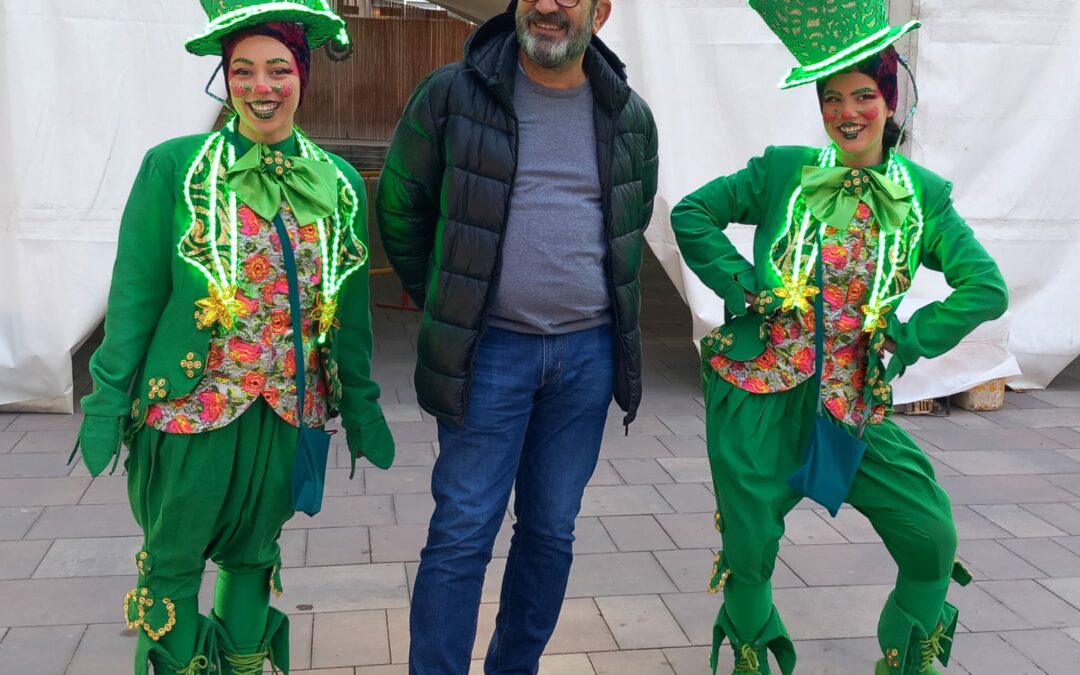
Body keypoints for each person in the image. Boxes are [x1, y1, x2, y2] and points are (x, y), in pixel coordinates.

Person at [671, 2, 1008, 674]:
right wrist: (743, 287)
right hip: (760, 399)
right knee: (749, 551)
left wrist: (911, 337)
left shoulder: (923, 197)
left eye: (863, 95)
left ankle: (905, 657)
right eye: (832, 99)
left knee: (929, 533)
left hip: (850, 405)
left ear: (890, 101)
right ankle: (749, 658)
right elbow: (693, 213)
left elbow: (985, 287)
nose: (847, 112)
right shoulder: (782, 171)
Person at [72, 2, 394, 672]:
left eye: (278, 69)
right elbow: (134, 297)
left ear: (303, 76)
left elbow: (350, 309)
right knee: (174, 563)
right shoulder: (176, 168)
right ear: (225, 79)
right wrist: (105, 402)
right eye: (242, 70)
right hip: (192, 413)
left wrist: (360, 404)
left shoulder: (337, 184)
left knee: (253, 560)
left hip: (287, 412)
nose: (261, 86)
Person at [376, 0, 658, 671]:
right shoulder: (453, 95)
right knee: (462, 529)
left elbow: (631, 218)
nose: (549, 5)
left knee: (551, 531)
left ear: (601, 10)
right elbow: (399, 207)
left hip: (587, 356)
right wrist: (450, 300)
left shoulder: (630, 116)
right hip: (491, 351)